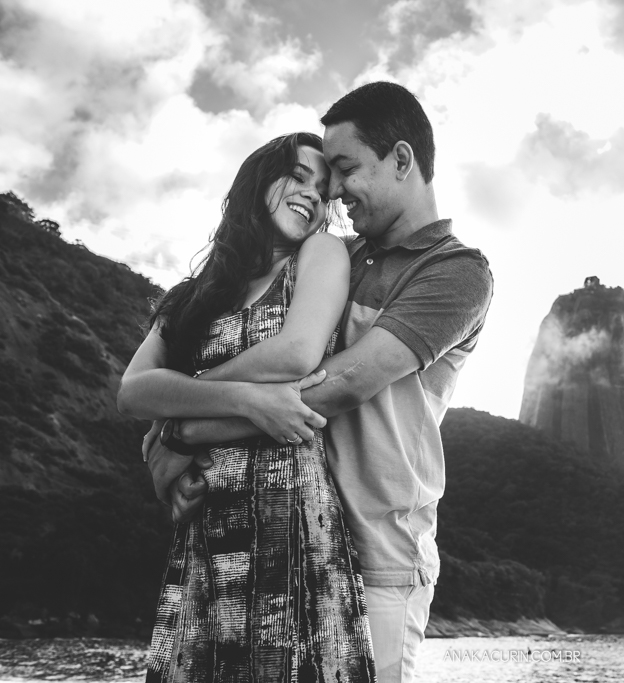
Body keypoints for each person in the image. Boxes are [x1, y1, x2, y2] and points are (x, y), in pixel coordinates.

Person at [143, 81, 494, 683]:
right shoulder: (330, 256)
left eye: (345, 168)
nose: (331, 190)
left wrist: (177, 430)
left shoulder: (455, 271)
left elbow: (338, 385)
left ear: (402, 160)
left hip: (379, 555)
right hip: (291, 537)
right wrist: (173, 433)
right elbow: (265, 364)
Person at [117, 132, 375, 683]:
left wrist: (179, 413)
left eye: (323, 189)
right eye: (298, 176)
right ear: (258, 182)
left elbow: (297, 351)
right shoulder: (196, 294)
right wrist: (245, 399)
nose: (312, 194)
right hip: (206, 525)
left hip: (289, 514)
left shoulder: (320, 252)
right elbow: (134, 390)